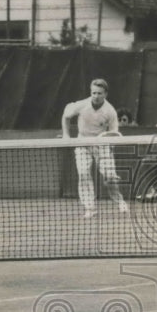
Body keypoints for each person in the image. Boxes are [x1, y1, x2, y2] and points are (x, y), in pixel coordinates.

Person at [61, 78, 129, 219]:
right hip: (83, 143)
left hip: (102, 144)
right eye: (94, 93)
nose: (96, 96)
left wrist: (107, 146)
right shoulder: (82, 105)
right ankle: (90, 208)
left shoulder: (110, 111)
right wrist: (66, 135)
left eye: (99, 93)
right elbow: (66, 115)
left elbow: (114, 133)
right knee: (84, 174)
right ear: (90, 92)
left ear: (105, 94)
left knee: (110, 177)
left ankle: (120, 201)